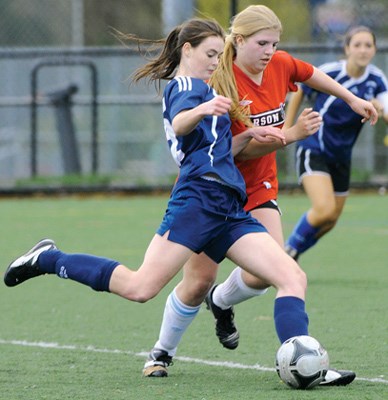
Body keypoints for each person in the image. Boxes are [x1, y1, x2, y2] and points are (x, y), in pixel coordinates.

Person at [4, 17, 319, 386]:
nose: (216, 62)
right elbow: (183, 121)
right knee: (140, 288)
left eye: (220, 56)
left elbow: (216, 149)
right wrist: (202, 110)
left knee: (290, 275)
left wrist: (249, 133)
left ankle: (304, 362)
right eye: (211, 54)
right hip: (197, 203)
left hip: (230, 207)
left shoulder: (204, 87)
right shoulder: (184, 86)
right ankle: (48, 258)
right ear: (188, 50)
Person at [142, 6, 378, 386]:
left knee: (271, 274)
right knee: (198, 281)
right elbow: (227, 151)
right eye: (262, 43)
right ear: (238, 42)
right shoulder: (217, 81)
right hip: (214, 190)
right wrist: (290, 135)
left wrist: (351, 99)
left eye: (275, 43)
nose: (270, 51)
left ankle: (223, 303)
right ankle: (161, 351)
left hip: (259, 188)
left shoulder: (280, 64)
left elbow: (312, 74)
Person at [285, 25, 388, 260]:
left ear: (374, 50)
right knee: (323, 209)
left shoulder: (376, 79)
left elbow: (386, 109)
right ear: (347, 49)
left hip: (342, 156)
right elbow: (300, 89)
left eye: (368, 45)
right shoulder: (331, 71)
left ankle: (293, 252)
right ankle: (286, 253)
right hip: (314, 148)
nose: (363, 50)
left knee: (331, 219)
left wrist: (380, 110)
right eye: (357, 45)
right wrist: (287, 127)